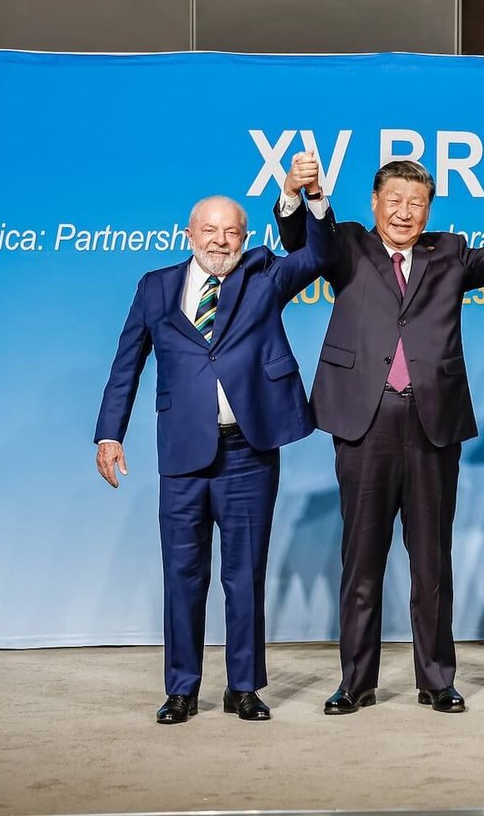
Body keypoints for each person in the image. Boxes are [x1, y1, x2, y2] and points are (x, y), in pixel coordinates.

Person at [94, 155, 334, 724]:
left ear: (245, 237)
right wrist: (109, 433)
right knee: (182, 575)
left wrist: (309, 197)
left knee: (243, 576)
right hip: (182, 454)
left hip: (248, 451)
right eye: (209, 231)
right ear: (188, 234)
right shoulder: (155, 287)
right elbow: (126, 363)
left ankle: (244, 687)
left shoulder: (265, 275)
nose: (221, 241)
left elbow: (322, 255)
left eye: (232, 232)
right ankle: (182, 688)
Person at [275, 157, 484, 715]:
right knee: (362, 559)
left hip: (432, 420)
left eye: (417, 202)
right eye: (394, 200)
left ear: (429, 210)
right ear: (374, 203)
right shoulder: (347, 244)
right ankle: (356, 682)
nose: (405, 211)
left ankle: (437, 680)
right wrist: (297, 195)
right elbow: (304, 239)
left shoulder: (447, 251)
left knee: (432, 562)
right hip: (365, 418)